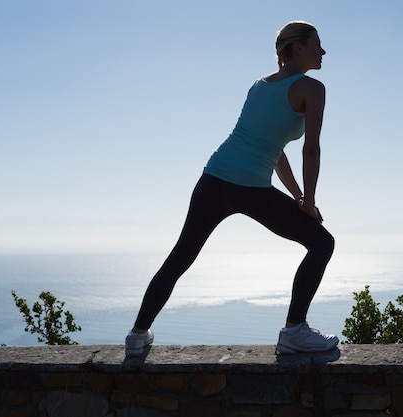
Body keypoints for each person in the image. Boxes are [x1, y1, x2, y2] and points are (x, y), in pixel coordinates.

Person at [125, 21, 338, 357]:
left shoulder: (259, 85)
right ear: (298, 48)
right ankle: (295, 330)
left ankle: (137, 335)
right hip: (248, 187)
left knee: (181, 255)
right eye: (317, 44)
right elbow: (310, 149)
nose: (323, 51)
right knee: (322, 242)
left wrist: (298, 196)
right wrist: (309, 202)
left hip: (212, 179)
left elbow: (274, 147)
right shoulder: (312, 88)